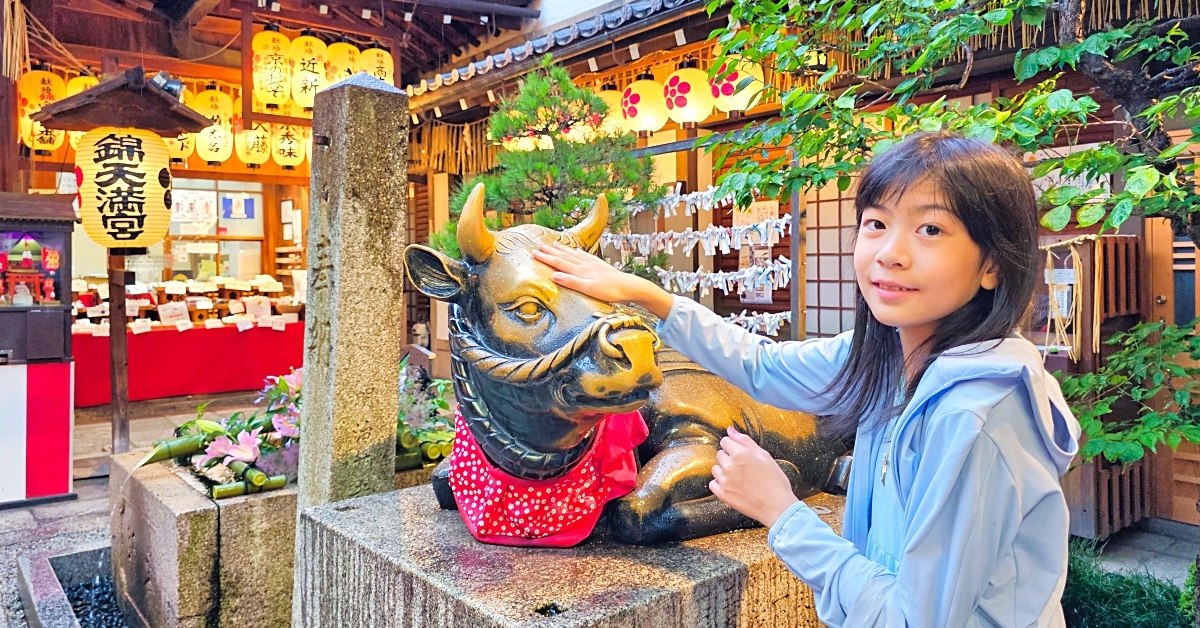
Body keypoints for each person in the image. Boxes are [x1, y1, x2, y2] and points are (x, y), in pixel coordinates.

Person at [533, 131, 1081, 627]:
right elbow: (762, 367)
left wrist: (781, 510)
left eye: (930, 228)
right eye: (876, 223)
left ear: (993, 265)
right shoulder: (890, 354)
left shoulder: (974, 417)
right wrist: (644, 294)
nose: (890, 253)